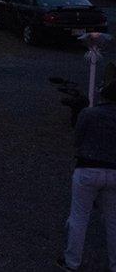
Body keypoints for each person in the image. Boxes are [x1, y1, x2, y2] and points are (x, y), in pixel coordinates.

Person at [58, 70, 116, 271]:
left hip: (88, 169)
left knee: (79, 217)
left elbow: (77, 140)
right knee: (113, 221)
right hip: (114, 171)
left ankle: (72, 261)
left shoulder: (89, 114)